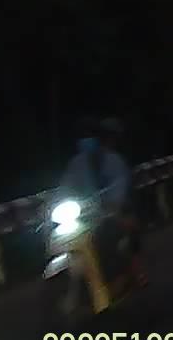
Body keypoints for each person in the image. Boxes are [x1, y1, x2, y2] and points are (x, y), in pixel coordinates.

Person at [59, 117, 145, 287]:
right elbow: (65, 187)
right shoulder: (77, 164)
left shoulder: (114, 161)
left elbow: (119, 188)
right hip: (85, 216)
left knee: (127, 228)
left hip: (111, 212)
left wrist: (113, 205)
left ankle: (134, 271)